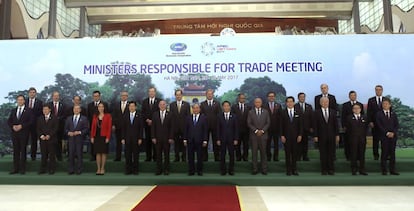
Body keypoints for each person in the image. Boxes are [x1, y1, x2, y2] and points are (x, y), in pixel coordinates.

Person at [313, 97, 339, 175]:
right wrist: (315, 136)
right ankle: (324, 170)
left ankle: (331, 169)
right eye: (323, 102)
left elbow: (336, 125)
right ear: (320, 103)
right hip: (321, 136)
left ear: (328, 103)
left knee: (331, 153)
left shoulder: (333, 112)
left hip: (331, 136)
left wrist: (337, 135)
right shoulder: (316, 112)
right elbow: (315, 125)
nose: (325, 103)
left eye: (326, 102)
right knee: (323, 154)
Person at [8, 95, 33, 174]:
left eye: (21, 100)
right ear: (17, 101)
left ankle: (22, 169)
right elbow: (9, 121)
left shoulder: (29, 111)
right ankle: (15, 168)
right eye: (18, 100)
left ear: (24, 101)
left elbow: (31, 122)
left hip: (24, 134)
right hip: (15, 134)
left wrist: (22, 126)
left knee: (23, 151)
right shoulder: (13, 110)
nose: (20, 101)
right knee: (16, 151)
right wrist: (13, 126)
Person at [376, 98, 399, 175]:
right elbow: (379, 125)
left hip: (393, 137)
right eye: (383, 104)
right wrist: (387, 133)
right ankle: (384, 170)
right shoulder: (379, 114)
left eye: (386, 104)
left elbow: (396, 125)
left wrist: (393, 133)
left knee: (392, 154)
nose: (385, 105)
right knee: (384, 153)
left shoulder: (393, 114)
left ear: (390, 105)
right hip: (384, 137)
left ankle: (392, 170)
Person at [247, 98, 270, 175]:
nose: (257, 103)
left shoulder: (266, 112)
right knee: (254, 154)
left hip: (263, 136)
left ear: (261, 103)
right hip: (254, 136)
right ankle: (255, 169)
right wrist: (256, 131)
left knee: (263, 153)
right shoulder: (250, 112)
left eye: (259, 102)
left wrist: (262, 131)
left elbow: (268, 123)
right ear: (254, 103)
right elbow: (249, 123)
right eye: (256, 102)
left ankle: (264, 169)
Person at [280, 97, 303, 176]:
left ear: (293, 103)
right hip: (286, 137)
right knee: (287, 154)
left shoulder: (298, 112)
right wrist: (282, 135)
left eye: (291, 101)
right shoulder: (283, 112)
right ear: (286, 103)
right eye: (288, 102)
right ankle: (288, 170)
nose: (290, 103)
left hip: (296, 137)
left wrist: (300, 135)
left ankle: (294, 169)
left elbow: (301, 125)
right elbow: (281, 125)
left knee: (295, 154)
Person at [184, 104, 208, 176]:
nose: (195, 110)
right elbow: (186, 129)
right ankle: (191, 171)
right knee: (190, 157)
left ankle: (199, 171)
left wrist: (205, 140)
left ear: (199, 109)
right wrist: (185, 139)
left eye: (197, 108)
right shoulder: (188, 118)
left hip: (200, 140)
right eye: (194, 108)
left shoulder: (204, 118)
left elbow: (205, 130)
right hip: (190, 140)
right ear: (192, 109)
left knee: (200, 156)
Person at [151, 100, 174, 175]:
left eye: (164, 104)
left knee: (166, 155)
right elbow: (153, 127)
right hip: (157, 138)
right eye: (161, 104)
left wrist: (171, 137)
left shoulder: (170, 114)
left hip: (167, 138)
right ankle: (159, 170)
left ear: (166, 105)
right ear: (158, 106)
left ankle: (166, 170)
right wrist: (153, 137)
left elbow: (172, 127)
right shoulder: (155, 114)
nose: (162, 106)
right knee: (158, 155)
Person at [65, 105, 89, 175]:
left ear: (80, 110)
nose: (76, 110)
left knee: (79, 154)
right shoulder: (69, 118)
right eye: (75, 109)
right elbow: (65, 129)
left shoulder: (84, 119)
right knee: (71, 155)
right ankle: (71, 169)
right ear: (73, 110)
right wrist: (68, 132)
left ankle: (79, 169)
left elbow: (86, 129)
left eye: (78, 109)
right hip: (71, 139)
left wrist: (79, 132)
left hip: (79, 139)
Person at [345, 104, 368, 175]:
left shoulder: (364, 117)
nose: (356, 110)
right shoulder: (349, 118)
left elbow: (366, 128)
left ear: (360, 109)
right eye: (354, 108)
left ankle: (362, 170)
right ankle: (354, 170)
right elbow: (348, 129)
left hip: (362, 139)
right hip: (353, 139)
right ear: (352, 110)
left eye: (358, 108)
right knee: (353, 155)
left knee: (362, 155)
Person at [341, 91, 364, 161]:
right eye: (351, 95)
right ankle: (348, 156)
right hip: (348, 128)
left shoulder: (360, 104)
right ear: (349, 96)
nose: (353, 97)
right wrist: (344, 126)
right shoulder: (345, 105)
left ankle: (358, 157)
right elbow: (343, 116)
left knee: (358, 144)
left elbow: (362, 116)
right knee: (348, 142)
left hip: (359, 129)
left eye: (354, 95)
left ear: (356, 96)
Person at [217, 101, 239, 175]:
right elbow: (218, 129)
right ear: (222, 107)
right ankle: (223, 170)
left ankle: (231, 170)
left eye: (227, 106)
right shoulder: (219, 116)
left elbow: (236, 128)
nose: (226, 107)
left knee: (231, 155)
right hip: (222, 139)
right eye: (224, 106)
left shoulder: (234, 116)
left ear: (230, 107)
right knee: (222, 155)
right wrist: (218, 139)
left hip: (231, 139)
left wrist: (236, 139)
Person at [122, 101, 144, 175]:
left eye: (133, 106)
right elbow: (123, 128)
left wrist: (140, 138)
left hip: (136, 139)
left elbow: (141, 128)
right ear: (128, 107)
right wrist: (123, 138)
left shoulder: (139, 115)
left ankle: (135, 170)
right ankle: (128, 170)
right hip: (127, 139)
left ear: (135, 107)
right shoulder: (125, 116)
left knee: (135, 155)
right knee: (127, 155)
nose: (131, 107)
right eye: (130, 106)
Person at [90, 102, 112, 175]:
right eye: (99, 107)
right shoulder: (95, 116)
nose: (101, 108)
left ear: (104, 108)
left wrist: (108, 137)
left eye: (102, 107)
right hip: (96, 136)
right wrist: (92, 136)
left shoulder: (108, 116)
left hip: (104, 136)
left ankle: (103, 168)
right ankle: (98, 168)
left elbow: (109, 128)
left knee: (103, 153)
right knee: (98, 153)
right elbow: (93, 127)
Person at [87, 90, 109, 161]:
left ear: (99, 96)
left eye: (97, 96)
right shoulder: (90, 105)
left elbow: (107, 115)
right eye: (94, 96)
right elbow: (88, 116)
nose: (95, 97)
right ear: (93, 97)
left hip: (103, 128)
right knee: (93, 142)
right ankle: (93, 156)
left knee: (102, 145)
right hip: (93, 127)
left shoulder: (105, 104)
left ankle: (102, 158)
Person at [200, 89, 222, 161]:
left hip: (215, 126)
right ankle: (204, 158)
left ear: (213, 95)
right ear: (206, 95)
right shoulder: (202, 104)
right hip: (205, 127)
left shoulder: (217, 103)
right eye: (208, 94)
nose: (209, 95)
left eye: (211, 94)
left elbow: (219, 115)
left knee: (216, 142)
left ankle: (217, 157)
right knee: (204, 142)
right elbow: (201, 116)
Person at [169, 89, 191, 162]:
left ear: (182, 95)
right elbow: (171, 117)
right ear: (175, 96)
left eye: (179, 95)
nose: (178, 96)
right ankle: (177, 157)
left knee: (184, 143)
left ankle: (184, 157)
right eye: (177, 95)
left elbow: (188, 117)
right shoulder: (172, 105)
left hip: (184, 128)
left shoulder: (187, 104)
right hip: (175, 128)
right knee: (176, 144)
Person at [37, 104, 58, 175]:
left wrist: (49, 135)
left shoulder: (54, 118)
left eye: (46, 109)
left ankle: (52, 169)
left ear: (50, 110)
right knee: (43, 155)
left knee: (52, 155)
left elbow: (56, 128)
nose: (45, 111)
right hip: (43, 140)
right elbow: (38, 129)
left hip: (51, 139)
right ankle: (43, 169)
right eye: (43, 109)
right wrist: (41, 135)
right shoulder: (40, 118)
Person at [141, 87, 161, 162]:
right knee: (148, 141)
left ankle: (156, 157)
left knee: (155, 141)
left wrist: (153, 121)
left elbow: (160, 112)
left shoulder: (159, 101)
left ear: (155, 92)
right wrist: (147, 120)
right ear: (148, 93)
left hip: (156, 126)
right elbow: (142, 113)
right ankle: (148, 157)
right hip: (147, 125)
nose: (151, 93)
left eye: (153, 92)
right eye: (150, 92)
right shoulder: (144, 101)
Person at [367, 85, 386, 160]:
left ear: (382, 90)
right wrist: (370, 121)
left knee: (384, 140)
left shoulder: (386, 99)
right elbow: (369, 112)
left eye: (379, 90)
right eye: (377, 90)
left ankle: (385, 155)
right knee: (375, 140)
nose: (378, 91)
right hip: (374, 124)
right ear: (375, 91)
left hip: (384, 124)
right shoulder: (371, 100)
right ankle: (376, 155)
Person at [231, 93, 251, 161]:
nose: (242, 99)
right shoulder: (234, 107)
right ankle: (238, 157)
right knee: (237, 144)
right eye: (241, 98)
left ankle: (245, 157)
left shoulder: (248, 107)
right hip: (237, 129)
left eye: (244, 98)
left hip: (246, 129)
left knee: (246, 144)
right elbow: (232, 118)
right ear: (238, 99)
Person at [263, 91, 282, 162]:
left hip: (276, 129)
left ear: (274, 97)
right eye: (270, 96)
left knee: (276, 144)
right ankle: (268, 157)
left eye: (273, 96)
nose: (271, 97)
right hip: (267, 129)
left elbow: (280, 118)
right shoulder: (264, 106)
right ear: (268, 97)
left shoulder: (278, 105)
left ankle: (276, 157)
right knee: (267, 144)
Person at [294, 92, 313, 161]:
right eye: (301, 97)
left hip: (306, 128)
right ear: (298, 98)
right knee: (298, 143)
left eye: (303, 97)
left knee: (305, 143)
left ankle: (305, 156)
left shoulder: (309, 106)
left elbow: (311, 118)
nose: (302, 98)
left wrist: (311, 127)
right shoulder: (295, 106)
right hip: (297, 129)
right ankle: (298, 156)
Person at [26, 87, 43, 161]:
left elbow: (40, 114)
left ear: (35, 93)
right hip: (25, 124)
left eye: (33, 92)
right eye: (30, 92)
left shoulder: (39, 102)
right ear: (28, 93)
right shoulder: (24, 101)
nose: (32, 94)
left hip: (35, 124)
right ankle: (23, 156)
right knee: (24, 140)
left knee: (34, 140)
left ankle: (33, 156)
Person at [111, 91, 129, 161]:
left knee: (127, 143)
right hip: (118, 127)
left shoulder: (130, 105)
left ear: (127, 96)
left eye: (125, 95)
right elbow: (113, 116)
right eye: (122, 95)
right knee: (118, 142)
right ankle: (118, 157)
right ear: (120, 96)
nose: (124, 97)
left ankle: (127, 157)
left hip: (127, 128)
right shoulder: (116, 105)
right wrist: (113, 125)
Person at [48, 91, 66, 161]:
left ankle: (59, 156)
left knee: (59, 142)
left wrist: (58, 119)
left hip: (60, 127)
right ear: (52, 96)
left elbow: (64, 115)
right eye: (55, 96)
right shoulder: (48, 105)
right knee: (50, 142)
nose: (56, 97)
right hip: (50, 127)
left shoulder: (63, 105)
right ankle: (51, 156)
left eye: (57, 96)